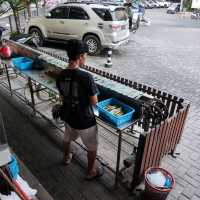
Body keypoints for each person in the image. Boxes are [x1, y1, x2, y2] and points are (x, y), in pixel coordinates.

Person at [56, 39, 102, 180]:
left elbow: (62, 98)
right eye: (85, 55)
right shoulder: (87, 77)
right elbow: (94, 102)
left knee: (67, 138)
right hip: (85, 120)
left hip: (69, 116)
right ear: (81, 56)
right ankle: (90, 172)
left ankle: (66, 158)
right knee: (92, 146)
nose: (86, 58)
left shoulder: (61, 75)